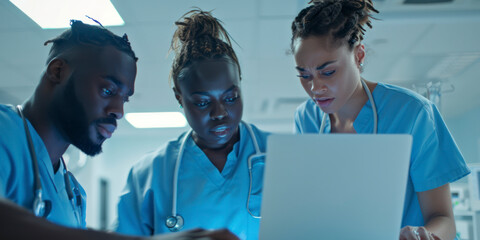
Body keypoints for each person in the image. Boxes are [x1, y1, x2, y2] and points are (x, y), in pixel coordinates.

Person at [0, 20, 238, 240]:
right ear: (58, 71)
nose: (118, 111)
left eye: (125, 99)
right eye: (108, 90)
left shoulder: (74, 194)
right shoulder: (5, 130)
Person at [290, 1, 470, 240]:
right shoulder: (307, 119)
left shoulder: (412, 113)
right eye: (304, 75)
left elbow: (444, 219)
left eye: (328, 72)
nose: (315, 88)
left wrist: (422, 235)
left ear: (359, 56)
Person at [114, 9, 269, 240]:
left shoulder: (280, 156)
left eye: (230, 97)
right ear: (180, 98)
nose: (220, 113)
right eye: (202, 102)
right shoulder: (150, 174)